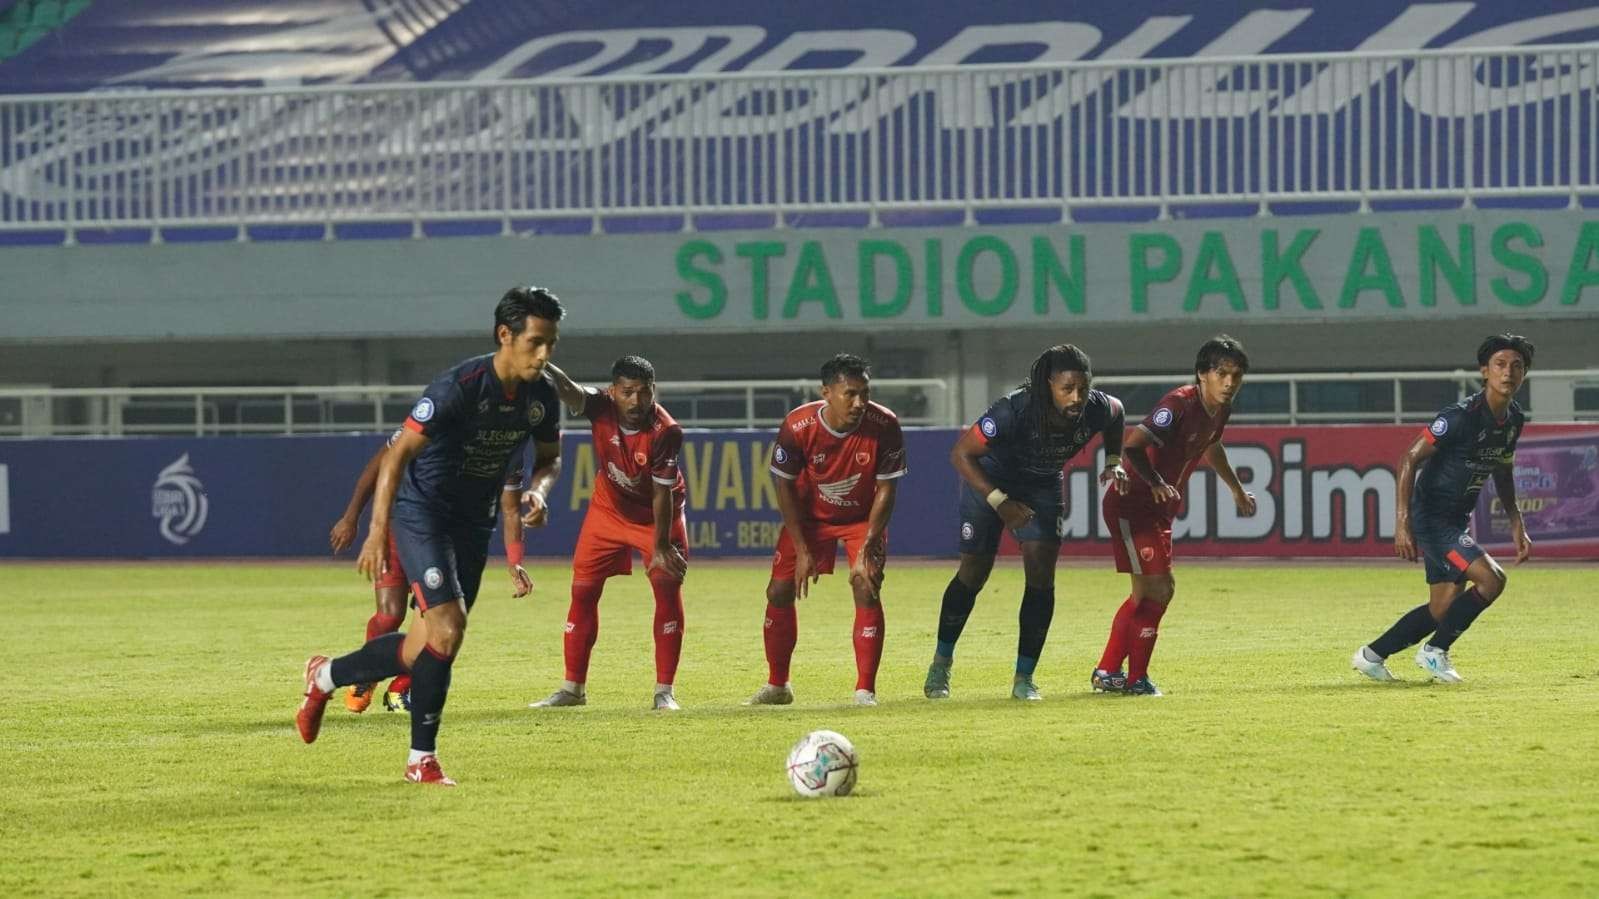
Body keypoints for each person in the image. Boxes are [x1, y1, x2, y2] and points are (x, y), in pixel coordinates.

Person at [295, 286, 565, 786]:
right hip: (423, 513)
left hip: (473, 521)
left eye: (551, 343)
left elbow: (550, 459)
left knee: (425, 646)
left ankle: (325, 676)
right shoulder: (459, 386)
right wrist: (376, 531)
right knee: (447, 628)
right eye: (536, 343)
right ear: (505, 335)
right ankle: (421, 760)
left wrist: (540, 492)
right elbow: (395, 455)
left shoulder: (541, 396)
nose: (545, 355)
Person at [924, 345, 1127, 701]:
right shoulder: (1013, 410)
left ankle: (1024, 678)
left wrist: (1113, 460)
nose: (1076, 396)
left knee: (1041, 573)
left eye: (1082, 387)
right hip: (989, 482)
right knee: (974, 573)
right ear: (1049, 385)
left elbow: (1118, 413)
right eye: (1067, 388)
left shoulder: (1096, 407)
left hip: (1042, 485)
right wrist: (1001, 503)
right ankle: (941, 662)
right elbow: (961, 453)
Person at [1353, 334, 1534, 683]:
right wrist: (1403, 522)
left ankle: (1371, 656)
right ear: (1484, 371)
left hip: (1454, 519)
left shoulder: (1513, 419)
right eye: (1500, 364)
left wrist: (1516, 520)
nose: (1508, 372)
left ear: (1524, 374)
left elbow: (1503, 469)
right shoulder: (1460, 417)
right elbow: (1409, 457)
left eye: (1517, 366)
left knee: (1441, 609)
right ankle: (1434, 652)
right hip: (1432, 518)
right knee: (1492, 580)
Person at [1092, 335, 1256, 697]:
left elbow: (1212, 447)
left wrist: (1236, 489)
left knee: (1144, 595)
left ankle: (1108, 671)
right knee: (1161, 588)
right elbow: (1133, 445)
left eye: (1237, 376)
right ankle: (1136, 679)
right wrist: (1155, 482)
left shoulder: (1220, 409)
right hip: (1132, 504)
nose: (1230, 383)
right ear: (1202, 374)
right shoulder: (1178, 404)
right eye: (1222, 373)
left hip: (1159, 510)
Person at [329, 430, 533, 713]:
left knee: (437, 621)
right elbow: (379, 464)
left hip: (447, 538)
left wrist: (515, 561)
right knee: (389, 615)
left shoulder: (510, 448)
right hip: (400, 523)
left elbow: (511, 509)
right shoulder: (441, 417)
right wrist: (352, 517)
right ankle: (366, 675)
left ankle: (400, 690)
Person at [528, 356, 690, 711]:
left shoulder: (666, 431)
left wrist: (661, 546)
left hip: (656, 518)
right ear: (613, 391)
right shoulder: (600, 406)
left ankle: (665, 692)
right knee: (583, 590)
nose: (635, 401)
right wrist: (544, 364)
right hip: (608, 510)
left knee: (666, 588)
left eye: (643, 393)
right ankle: (572, 689)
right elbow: (569, 390)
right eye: (627, 392)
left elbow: (662, 493)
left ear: (653, 391)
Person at [747, 354, 906, 707]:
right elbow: (784, 487)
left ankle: (865, 691)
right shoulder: (797, 426)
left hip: (862, 519)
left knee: (866, 585)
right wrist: (803, 550)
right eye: (850, 393)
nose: (859, 402)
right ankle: (778, 686)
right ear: (826, 393)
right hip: (810, 518)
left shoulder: (885, 424)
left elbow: (887, 490)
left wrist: (868, 546)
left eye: (864, 393)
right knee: (778, 590)